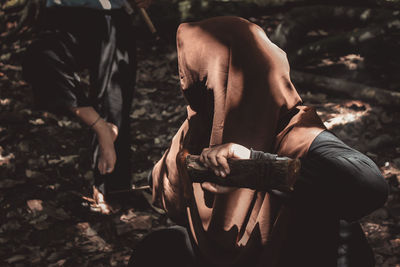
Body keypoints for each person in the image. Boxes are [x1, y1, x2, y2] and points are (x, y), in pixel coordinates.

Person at [128, 16, 388, 267]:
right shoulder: (198, 129)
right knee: (157, 248)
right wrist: (186, 168)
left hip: (291, 256)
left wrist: (258, 164)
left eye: (200, 81)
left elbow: (369, 185)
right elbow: (161, 184)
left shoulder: (298, 134)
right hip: (223, 256)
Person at [22, 0, 152, 214]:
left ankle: (109, 190)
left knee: (113, 99)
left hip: (112, 14)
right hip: (61, 14)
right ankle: (102, 127)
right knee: (40, 59)